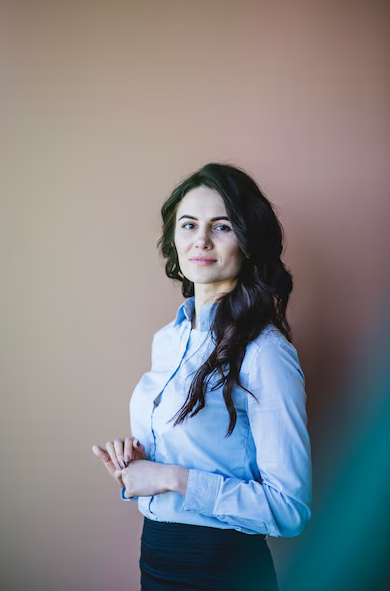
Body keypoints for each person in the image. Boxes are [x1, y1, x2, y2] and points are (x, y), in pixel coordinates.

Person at [92, 163, 312, 590]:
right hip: (156, 561)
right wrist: (139, 461)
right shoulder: (168, 340)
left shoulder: (266, 352)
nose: (201, 240)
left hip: (222, 571)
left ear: (248, 243)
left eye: (222, 226)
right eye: (189, 224)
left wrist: (168, 477)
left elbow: (289, 509)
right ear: (173, 240)